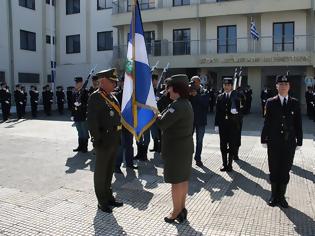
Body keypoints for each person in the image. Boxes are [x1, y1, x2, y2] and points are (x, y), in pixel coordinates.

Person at [156, 74, 194, 223]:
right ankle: (182, 208)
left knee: (176, 182)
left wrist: (154, 112)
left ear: (175, 88)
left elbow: (162, 123)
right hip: (183, 148)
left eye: (168, 87)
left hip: (176, 151)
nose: (166, 90)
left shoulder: (178, 105)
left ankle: (176, 211)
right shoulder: (184, 103)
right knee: (183, 180)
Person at [261, 75, 303, 208]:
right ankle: (274, 196)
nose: (283, 86)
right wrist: (263, 138)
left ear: (289, 86)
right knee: (274, 168)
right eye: (281, 84)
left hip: (289, 142)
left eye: (286, 84)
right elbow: (267, 122)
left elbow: (298, 124)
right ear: (277, 86)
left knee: (285, 169)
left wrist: (299, 140)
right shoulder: (270, 102)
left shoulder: (295, 103)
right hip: (274, 142)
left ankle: (282, 197)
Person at [87, 68, 123, 213]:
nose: (115, 84)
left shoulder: (112, 97)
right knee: (101, 172)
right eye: (112, 81)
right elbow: (92, 121)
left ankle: (109, 197)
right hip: (104, 140)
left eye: (115, 82)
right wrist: (97, 139)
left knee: (109, 171)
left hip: (114, 139)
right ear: (103, 82)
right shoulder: (96, 97)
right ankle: (101, 201)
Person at [214, 78, 241, 172]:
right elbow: (217, 112)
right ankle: (224, 163)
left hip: (233, 126)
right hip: (223, 125)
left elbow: (242, 108)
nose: (226, 87)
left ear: (231, 86)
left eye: (229, 85)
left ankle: (230, 164)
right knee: (223, 145)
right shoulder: (220, 97)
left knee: (232, 145)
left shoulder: (236, 96)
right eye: (225, 85)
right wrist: (216, 124)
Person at [113, 75, 137, 174]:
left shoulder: (132, 95)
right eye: (124, 82)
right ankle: (116, 166)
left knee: (129, 145)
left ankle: (129, 163)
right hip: (120, 124)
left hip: (129, 123)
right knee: (120, 146)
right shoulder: (117, 95)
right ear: (122, 83)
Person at [189, 75, 209, 167]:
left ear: (199, 82)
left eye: (195, 82)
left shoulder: (204, 91)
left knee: (199, 141)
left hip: (201, 120)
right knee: (188, 140)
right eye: (192, 82)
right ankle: (188, 157)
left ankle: (198, 158)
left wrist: (196, 96)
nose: (193, 84)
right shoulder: (188, 91)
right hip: (190, 120)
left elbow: (205, 104)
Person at [71, 77, 89, 153]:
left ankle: (85, 147)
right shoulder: (75, 92)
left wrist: (81, 104)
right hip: (77, 116)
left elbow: (88, 103)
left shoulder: (85, 92)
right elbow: (72, 104)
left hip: (83, 115)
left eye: (76, 83)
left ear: (81, 83)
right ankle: (80, 146)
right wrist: (72, 114)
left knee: (84, 132)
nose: (75, 84)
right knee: (79, 131)